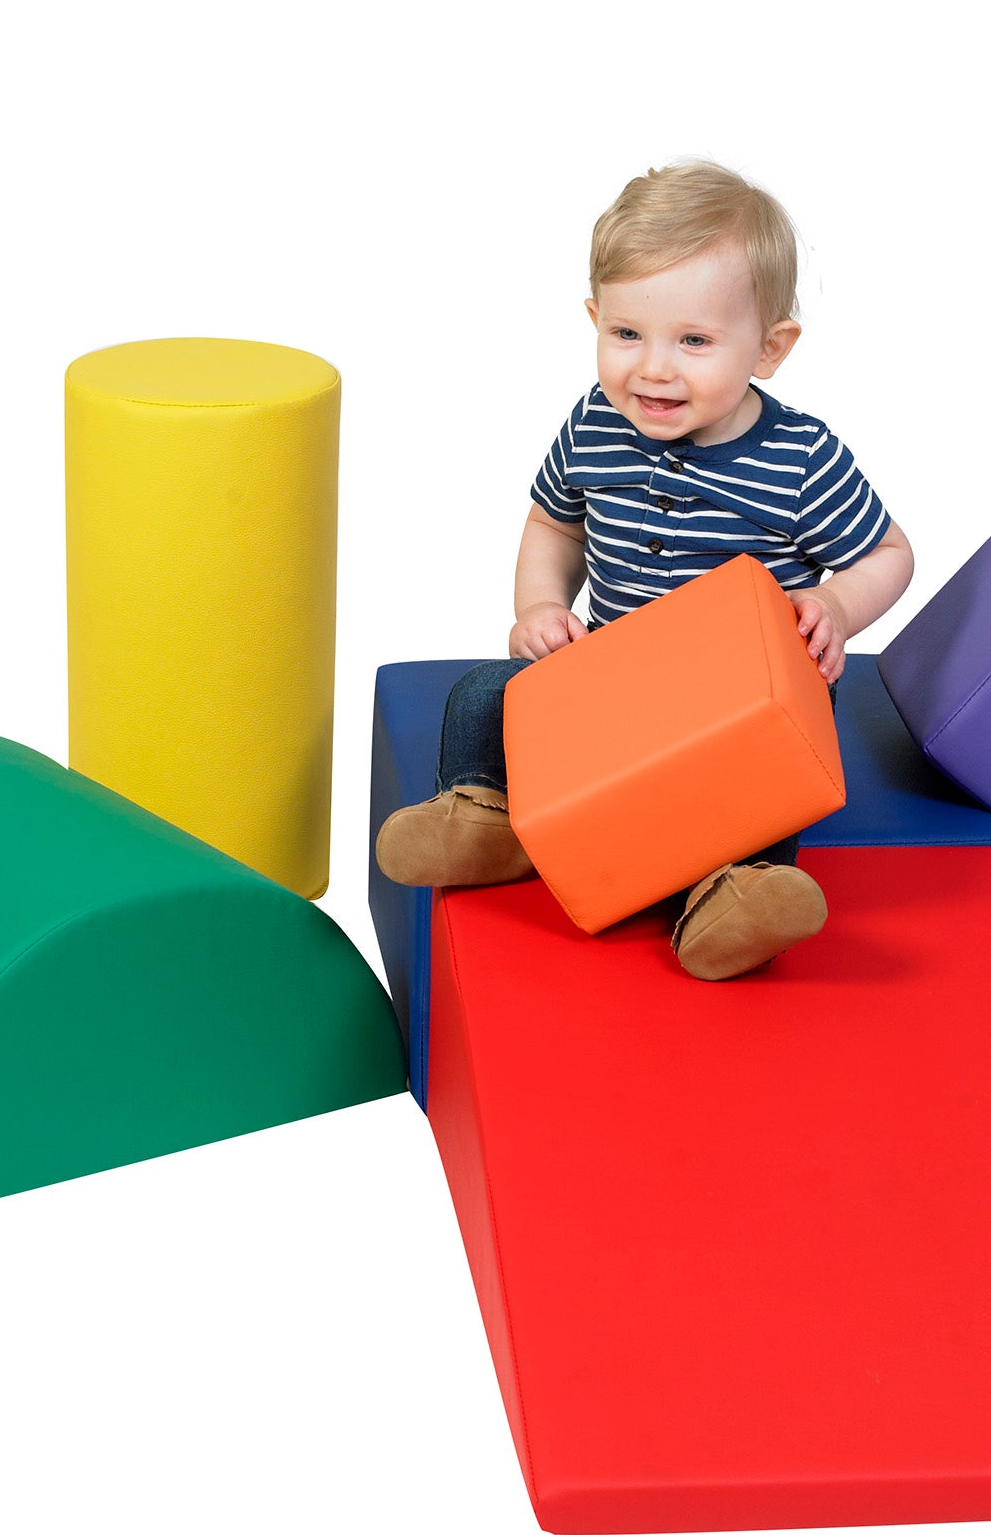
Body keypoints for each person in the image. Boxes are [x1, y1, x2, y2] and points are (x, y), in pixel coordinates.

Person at [376, 160, 915, 979]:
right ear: (595, 318)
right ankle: (487, 814)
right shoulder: (595, 422)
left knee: (759, 786)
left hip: (738, 704)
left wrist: (834, 605)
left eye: (694, 341)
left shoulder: (800, 458)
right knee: (484, 693)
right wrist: (539, 606)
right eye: (627, 334)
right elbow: (552, 522)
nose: (654, 368)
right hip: (609, 680)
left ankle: (734, 891)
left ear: (770, 349)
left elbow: (888, 552)